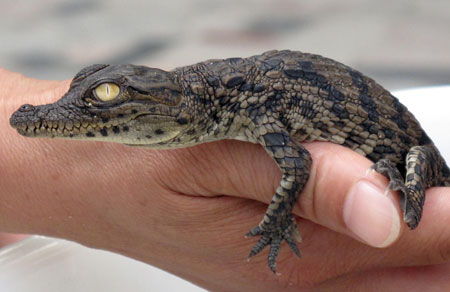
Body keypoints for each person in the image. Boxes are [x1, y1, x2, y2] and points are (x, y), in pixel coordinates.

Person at [1, 68, 449, 291]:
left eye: (105, 96)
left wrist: (276, 222)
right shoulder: (207, 101)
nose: (53, 116)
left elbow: (296, 166)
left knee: (411, 185)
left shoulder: (247, 105)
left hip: (419, 158)